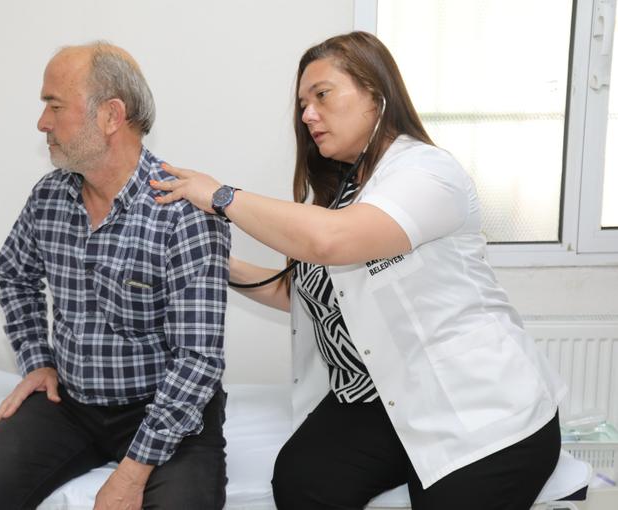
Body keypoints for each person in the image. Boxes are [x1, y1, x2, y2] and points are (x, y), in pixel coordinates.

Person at [150, 31, 566, 510]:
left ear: (376, 95)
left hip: (474, 404)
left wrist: (222, 197)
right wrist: (212, 264)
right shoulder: (341, 195)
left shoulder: (428, 174)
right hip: (380, 399)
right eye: (303, 104)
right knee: (302, 480)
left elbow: (332, 241)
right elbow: (300, 294)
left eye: (322, 95)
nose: (308, 115)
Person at [0, 42, 231, 510]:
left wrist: (133, 471)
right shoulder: (49, 197)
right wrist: (37, 361)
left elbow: (198, 359)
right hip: (72, 405)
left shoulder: (184, 213)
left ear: (110, 116)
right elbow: (15, 275)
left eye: (55, 106)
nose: (42, 122)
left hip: (165, 408)